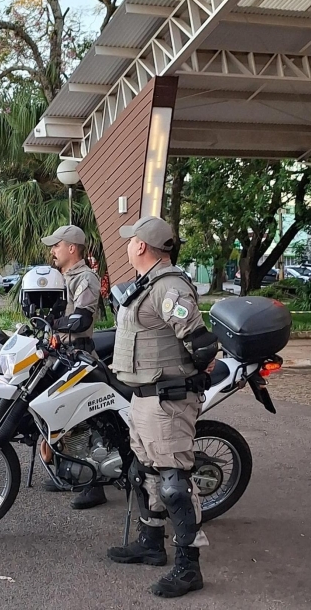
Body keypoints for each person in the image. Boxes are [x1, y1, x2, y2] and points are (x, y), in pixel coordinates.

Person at [106, 216, 218, 599]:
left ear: (141, 246)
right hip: (142, 398)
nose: (128, 245)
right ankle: (151, 543)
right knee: (144, 472)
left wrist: (190, 377)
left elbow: (202, 344)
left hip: (166, 400)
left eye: (131, 240)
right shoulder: (148, 284)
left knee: (174, 484)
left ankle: (189, 567)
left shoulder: (169, 286)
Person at [40, 223, 104, 510]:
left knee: (86, 421)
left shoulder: (85, 278)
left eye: (56, 245)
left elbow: (83, 320)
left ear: (71, 248)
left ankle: (95, 484)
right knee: (61, 415)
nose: (52, 250)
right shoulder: (59, 277)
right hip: (61, 353)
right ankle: (68, 472)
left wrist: (54, 324)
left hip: (79, 354)